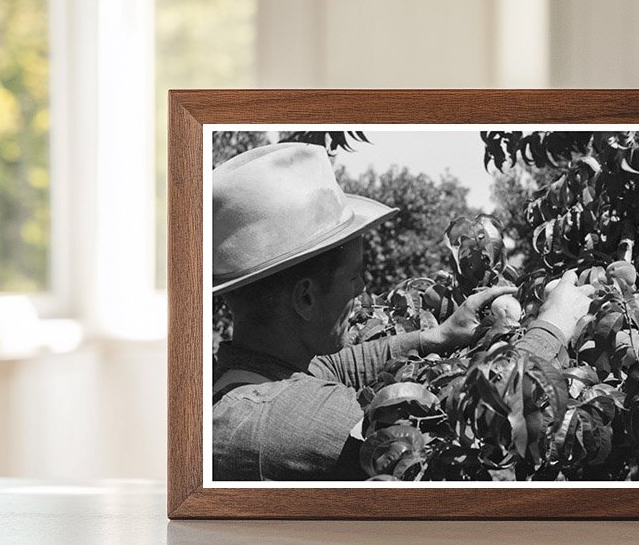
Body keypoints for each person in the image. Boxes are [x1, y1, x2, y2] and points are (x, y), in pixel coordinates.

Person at [210, 141, 594, 481]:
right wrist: (553, 325)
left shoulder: (245, 375)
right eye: (355, 276)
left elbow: (335, 365)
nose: (363, 288)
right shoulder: (294, 423)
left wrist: (438, 336)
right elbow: (455, 434)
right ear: (306, 298)